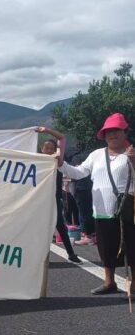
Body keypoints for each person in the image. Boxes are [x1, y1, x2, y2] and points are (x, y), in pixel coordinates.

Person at [58, 113, 135, 295]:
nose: (112, 135)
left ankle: (133, 287)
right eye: (108, 132)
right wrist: (62, 164)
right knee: (106, 248)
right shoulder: (97, 155)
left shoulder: (131, 153)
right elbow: (78, 173)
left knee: (132, 248)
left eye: (116, 131)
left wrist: (133, 161)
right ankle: (110, 282)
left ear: (125, 132)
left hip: (128, 210)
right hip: (101, 210)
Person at [36, 126, 82, 264]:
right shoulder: (38, 162)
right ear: (42, 149)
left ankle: (71, 253)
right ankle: (41, 257)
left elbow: (62, 138)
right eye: (46, 148)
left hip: (55, 198)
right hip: (40, 200)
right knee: (39, 228)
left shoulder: (57, 161)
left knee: (61, 226)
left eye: (51, 148)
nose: (49, 150)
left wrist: (46, 130)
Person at [68, 146, 95, 245]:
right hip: (93, 187)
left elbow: (74, 174)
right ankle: (94, 235)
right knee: (92, 211)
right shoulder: (92, 156)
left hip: (81, 188)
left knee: (83, 212)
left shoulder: (76, 158)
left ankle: (87, 235)